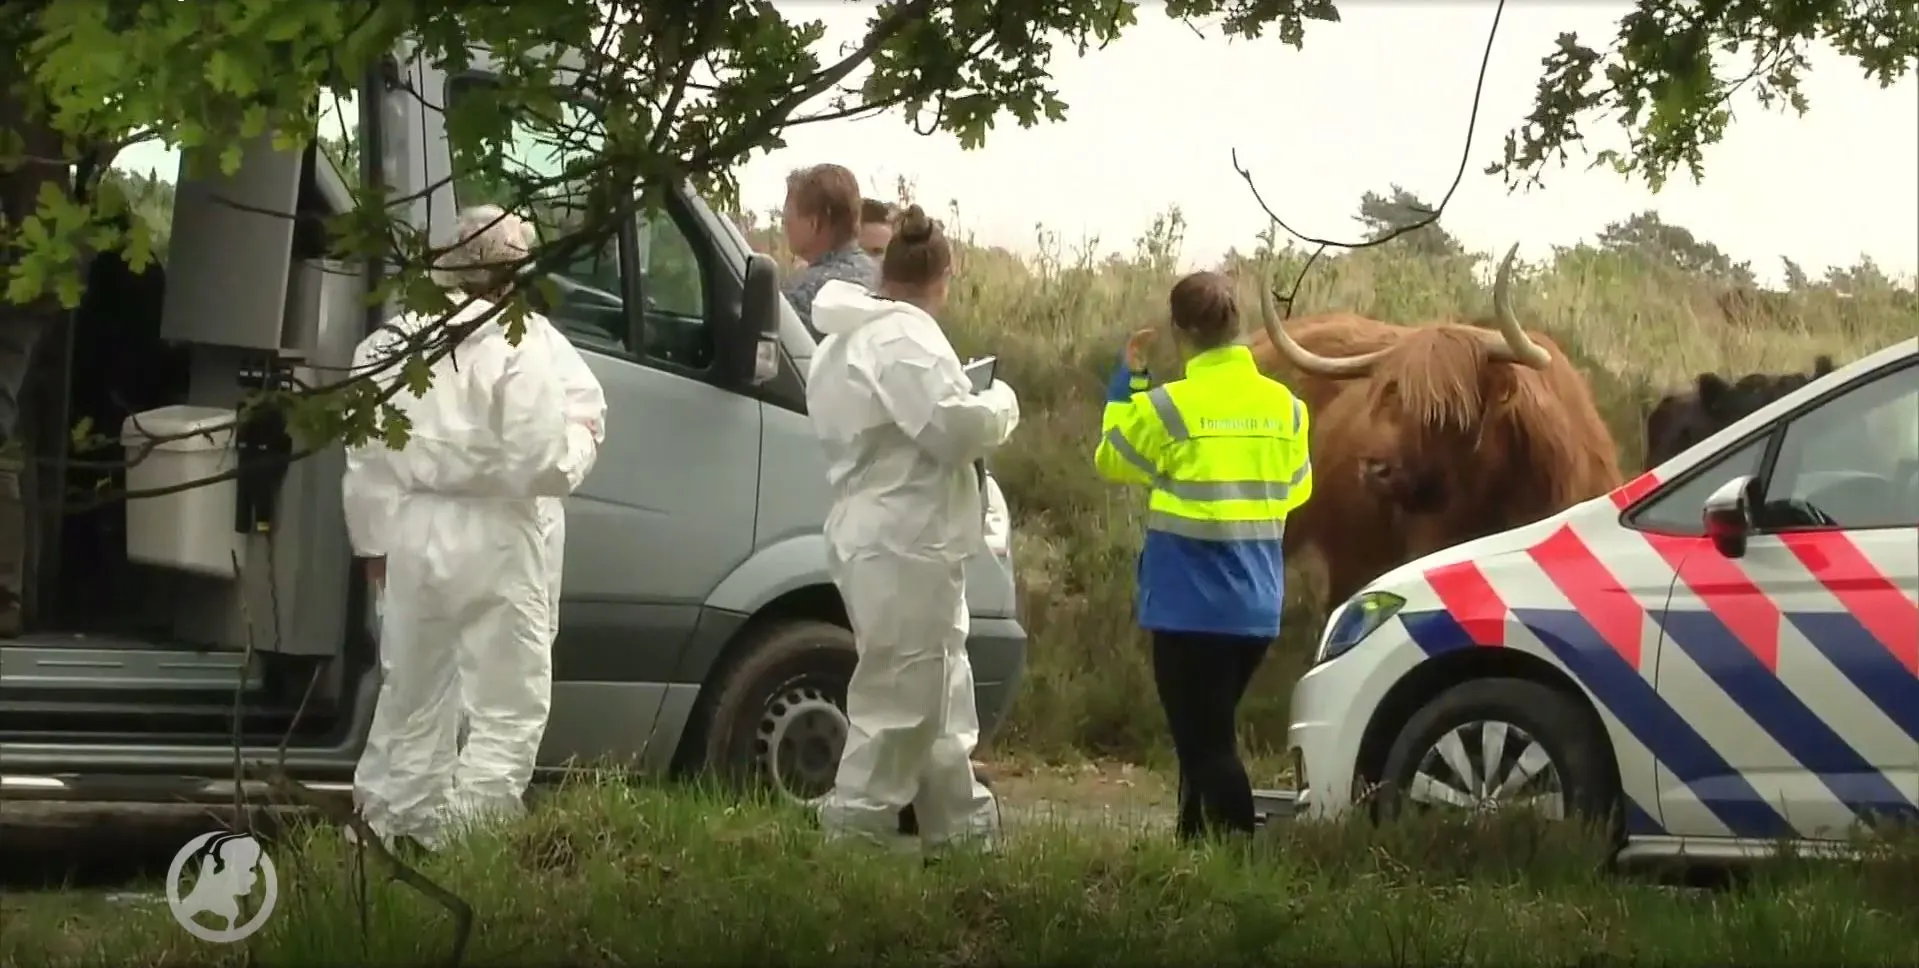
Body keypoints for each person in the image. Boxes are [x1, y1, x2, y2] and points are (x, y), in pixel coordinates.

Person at [341, 206, 576, 850]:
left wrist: (373, 542)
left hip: (414, 529)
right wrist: (576, 451)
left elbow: (363, 456)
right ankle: (469, 848)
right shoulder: (523, 345)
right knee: (506, 705)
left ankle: (390, 831)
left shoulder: (387, 345)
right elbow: (543, 458)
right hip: (498, 528)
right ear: (508, 271)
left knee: (412, 694)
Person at [806, 205, 1019, 853]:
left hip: (894, 535)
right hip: (905, 540)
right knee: (900, 703)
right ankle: (852, 843)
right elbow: (952, 428)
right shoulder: (904, 338)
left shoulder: (849, 336)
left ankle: (962, 838)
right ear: (943, 276)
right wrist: (1001, 403)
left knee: (940, 701)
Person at [1093, 271, 1313, 843]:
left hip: (1190, 613)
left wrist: (1131, 379)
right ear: (1238, 327)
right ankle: (1192, 856)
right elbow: (1298, 489)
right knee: (1205, 740)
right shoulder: (1286, 409)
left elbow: (1113, 457)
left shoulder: (1171, 408)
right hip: (1256, 611)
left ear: (1179, 332)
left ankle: (1239, 865)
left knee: (1209, 749)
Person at [781, 164, 877, 336]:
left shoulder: (801, 294)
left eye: (788, 216)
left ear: (814, 223)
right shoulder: (881, 280)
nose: (784, 225)